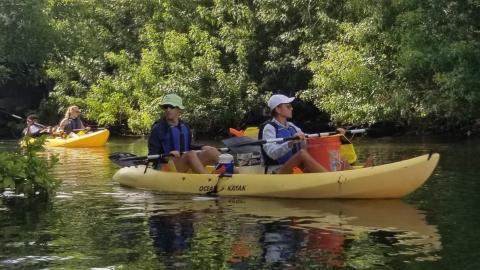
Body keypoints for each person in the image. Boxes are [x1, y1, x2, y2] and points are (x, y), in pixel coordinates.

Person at [260, 94, 347, 174]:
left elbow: (308, 138)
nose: (292, 108)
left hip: (295, 166)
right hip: (277, 170)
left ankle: (353, 173)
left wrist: (335, 133)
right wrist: (291, 142)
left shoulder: (291, 126)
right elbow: (272, 153)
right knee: (302, 153)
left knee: (328, 152)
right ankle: (331, 179)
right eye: (288, 106)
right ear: (278, 109)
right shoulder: (269, 128)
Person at [148, 94, 220, 173]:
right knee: (191, 154)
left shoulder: (184, 126)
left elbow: (187, 147)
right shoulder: (158, 128)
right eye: (165, 107)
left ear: (179, 109)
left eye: (171, 106)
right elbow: (152, 156)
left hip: (184, 162)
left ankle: (233, 173)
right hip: (166, 165)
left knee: (212, 151)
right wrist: (167, 156)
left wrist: (202, 147)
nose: (168, 110)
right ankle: (209, 181)